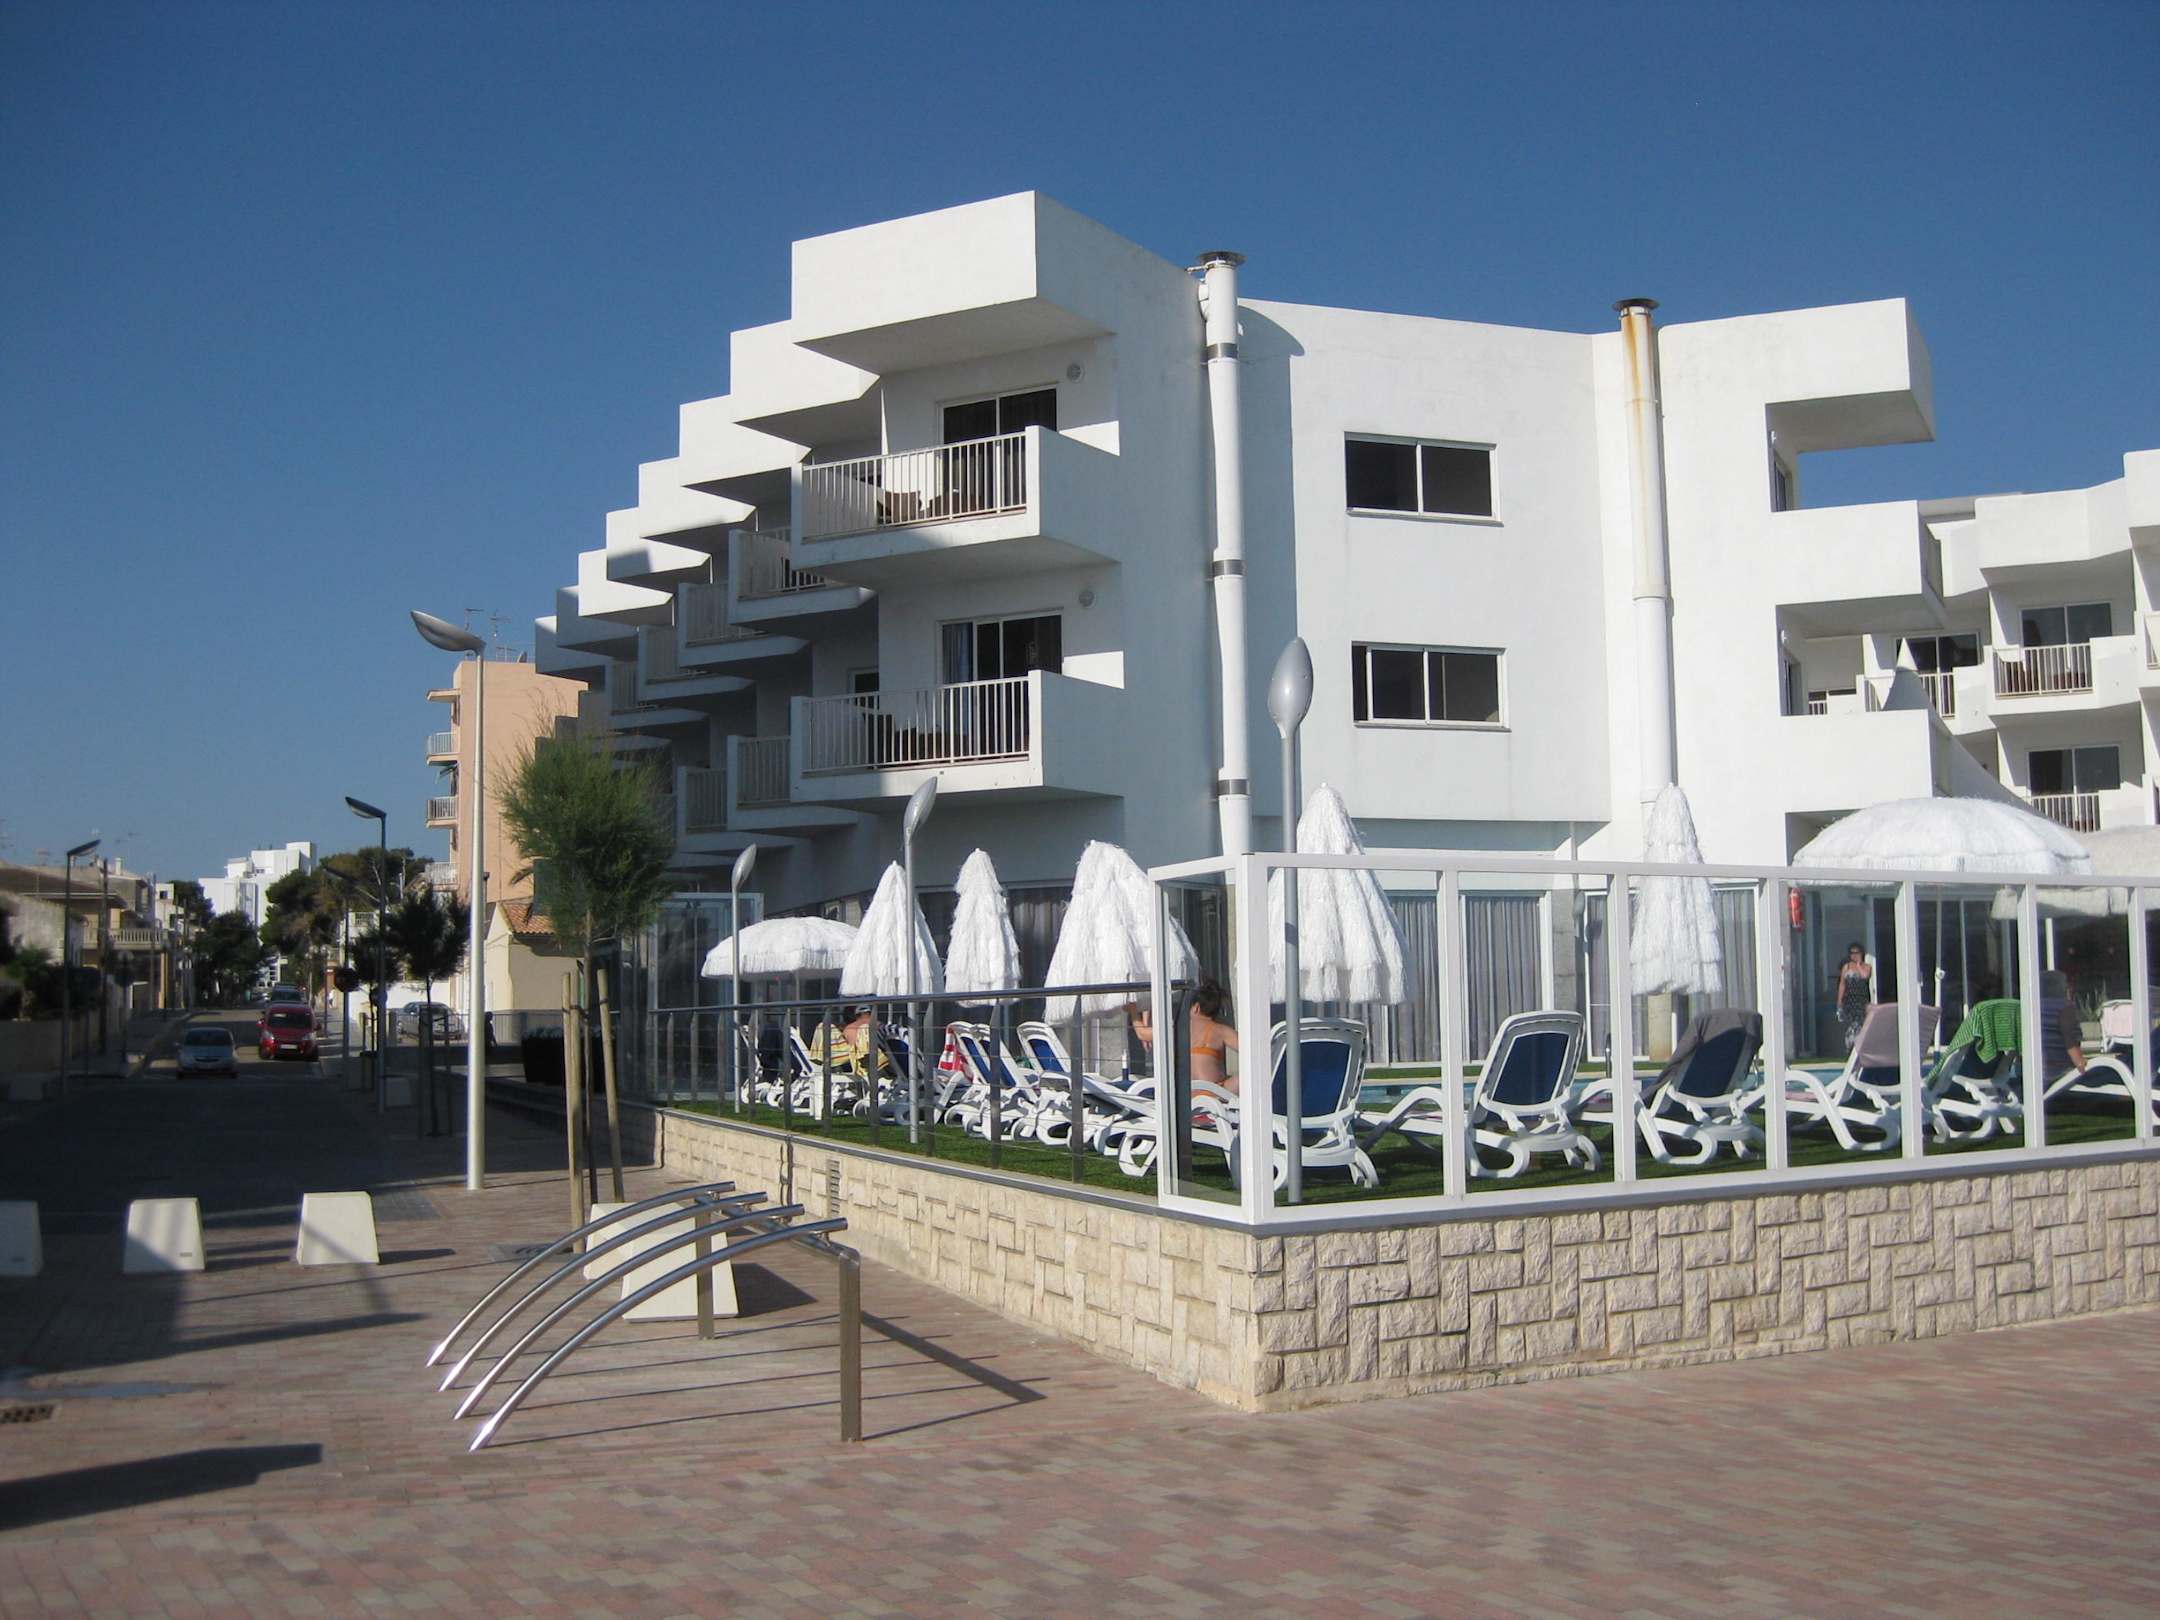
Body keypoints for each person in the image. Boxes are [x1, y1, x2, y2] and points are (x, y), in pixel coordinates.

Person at [1131, 976, 1240, 1091]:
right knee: (1243, 1077)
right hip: (1216, 1093)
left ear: (1196, 1008)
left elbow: (1142, 1034)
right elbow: (1250, 1050)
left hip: (1187, 1094)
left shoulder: (1178, 1029)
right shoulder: (1221, 1030)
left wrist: (1133, 1011)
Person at [2040, 971, 2086, 1079]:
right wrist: (2080, 1063)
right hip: (2061, 1070)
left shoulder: (2033, 1006)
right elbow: (2069, 1038)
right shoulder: (2066, 1007)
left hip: (2038, 1068)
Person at [1834, 942, 1874, 1052]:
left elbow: (1865, 976)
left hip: (1861, 1000)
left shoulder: (1867, 967)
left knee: (1860, 1023)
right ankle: (1851, 1045)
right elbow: (1842, 984)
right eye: (1852, 953)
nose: (1854, 955)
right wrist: (1839, 1000)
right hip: (1849, 1000)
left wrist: (1859, 965)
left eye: (1857, 953)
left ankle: (1858, 1046)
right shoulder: (1846, 967)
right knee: (1852, 1023)